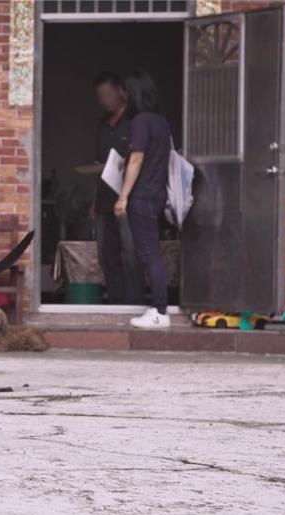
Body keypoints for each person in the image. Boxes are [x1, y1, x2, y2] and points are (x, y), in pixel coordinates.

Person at [114, 70, 172, 329]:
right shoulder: (161, 122)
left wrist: (123, 196)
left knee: (149, 254)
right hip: (157, 195)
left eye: (124, 92)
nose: (121, 97)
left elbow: (136, 159)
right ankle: (158, 309)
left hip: (142, 196)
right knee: (152, 252)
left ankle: (159, 310)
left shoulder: (140, 121)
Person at [91, 71, 144, 305]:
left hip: (128, 199)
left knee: (131, 252)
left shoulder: (136, 122)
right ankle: (115, 301)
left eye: (107, 94)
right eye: (100, 96)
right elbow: (99, 166)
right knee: (106, 254)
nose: (104, 100)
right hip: (104, 199)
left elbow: (140, 160)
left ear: (121, 91)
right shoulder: (102, 124)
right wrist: (93, 202)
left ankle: (134, 302)